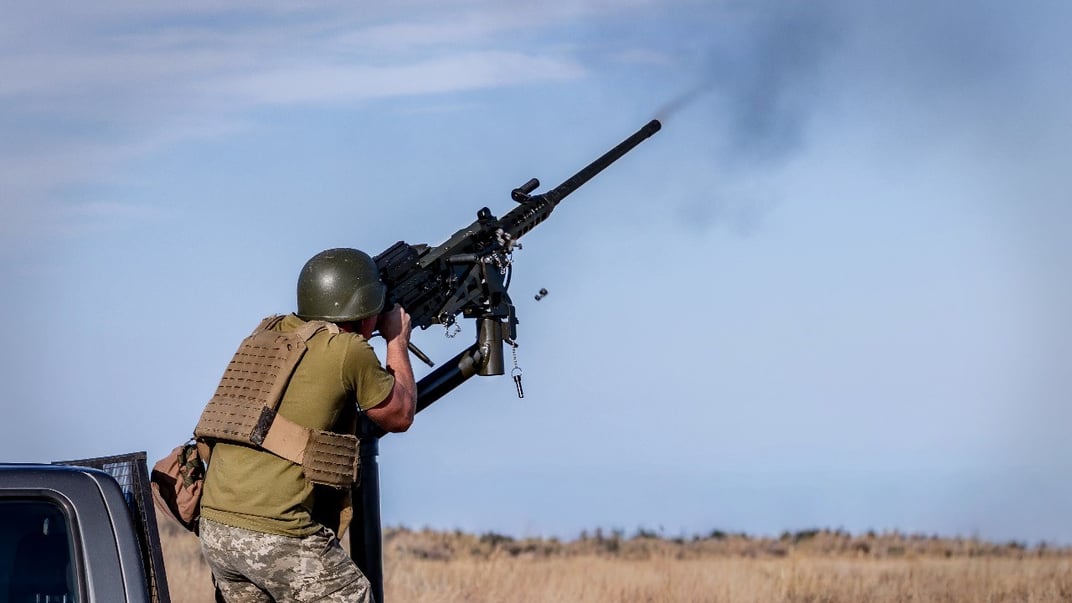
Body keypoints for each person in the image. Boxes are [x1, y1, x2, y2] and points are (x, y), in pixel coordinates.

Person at [198, 247, 416, 603]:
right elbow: (399, 414)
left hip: (217, 527)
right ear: (362, 311)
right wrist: (396, 339)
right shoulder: (347, 350)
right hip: (276, 531)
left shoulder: (266, 334)